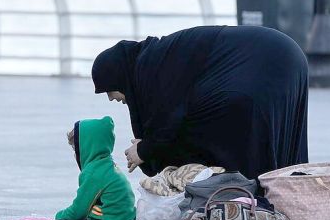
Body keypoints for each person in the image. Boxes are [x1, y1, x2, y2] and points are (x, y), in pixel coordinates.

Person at [91, 25, 309, 180]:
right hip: (286, 55)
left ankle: (250, 212)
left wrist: (144, 150)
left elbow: (171, 123)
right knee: (277, 156)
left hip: (264, 63)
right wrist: (150, 146)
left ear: (120, 77)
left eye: (110, 90)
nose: (111, 98)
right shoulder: (157, 58)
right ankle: (278, 210)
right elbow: (170, 121)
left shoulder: (151, 68)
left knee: (217, 133)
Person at [15, 117, 136, 220]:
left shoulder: (95, 173)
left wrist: (58, 217)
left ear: (87, 147)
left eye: (76, 149)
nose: (75, 154)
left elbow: (77, 211)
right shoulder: (106, 165)